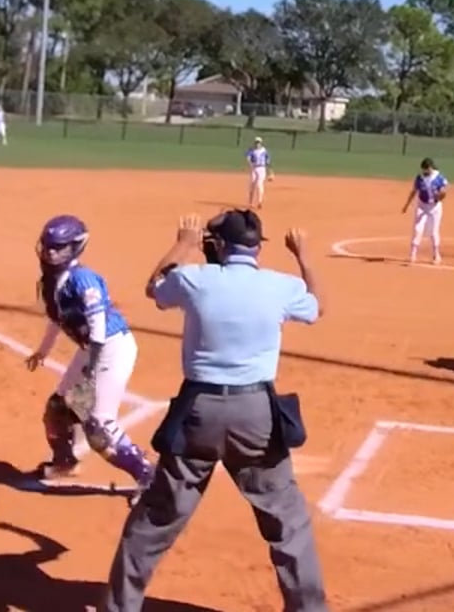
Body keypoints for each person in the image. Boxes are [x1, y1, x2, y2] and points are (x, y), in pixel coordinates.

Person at [101, 210, 327, 612]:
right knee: (288, 523)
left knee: (156, 517)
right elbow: (317, 306)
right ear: (256, 247)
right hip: (257, 415)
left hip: (198, 413)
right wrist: (303, 255)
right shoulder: (280, 286)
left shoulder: (195, 279)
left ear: (219, 245)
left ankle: (119, 608)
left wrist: (183, 244)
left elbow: (154, 288)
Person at [23, 215, 154, 487]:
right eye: (48, 246)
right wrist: (42, 352)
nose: (51, 252)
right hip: (92, 349)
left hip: (111, 348)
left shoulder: (83, 280)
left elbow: (98, 326)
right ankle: (65, 462)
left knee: (99, 426)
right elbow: (57, 319)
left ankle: (148, 476)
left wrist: (91, 369)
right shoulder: (52, 280)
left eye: (58, 247)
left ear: (75, 247)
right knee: (59, 409)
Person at [401, 157, 449, 265]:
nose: (424, 171)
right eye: (423, 169)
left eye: (426, 169)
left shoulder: (439, 177)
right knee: (417, 229)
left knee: (433, 231)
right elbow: (414, 192)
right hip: (422, 205)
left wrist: (440, 195)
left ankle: (436, 255)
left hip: (434, 207)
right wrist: (406, 205)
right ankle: (413, 254)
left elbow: (443, 192)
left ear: (430, 168)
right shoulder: (419, 178)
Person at [246, 137, 271, 208]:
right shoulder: (251, 150)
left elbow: (268, 160)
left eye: (259, 142)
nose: (257, 144)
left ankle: (259, 201)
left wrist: (270, 170)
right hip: (254, 169)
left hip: (262, 168)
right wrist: (250, 164)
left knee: (259, 184)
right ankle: (250, 202)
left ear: (261, 143)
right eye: (256, 142)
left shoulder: (264, 150)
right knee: (252, 184)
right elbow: (248, 158)